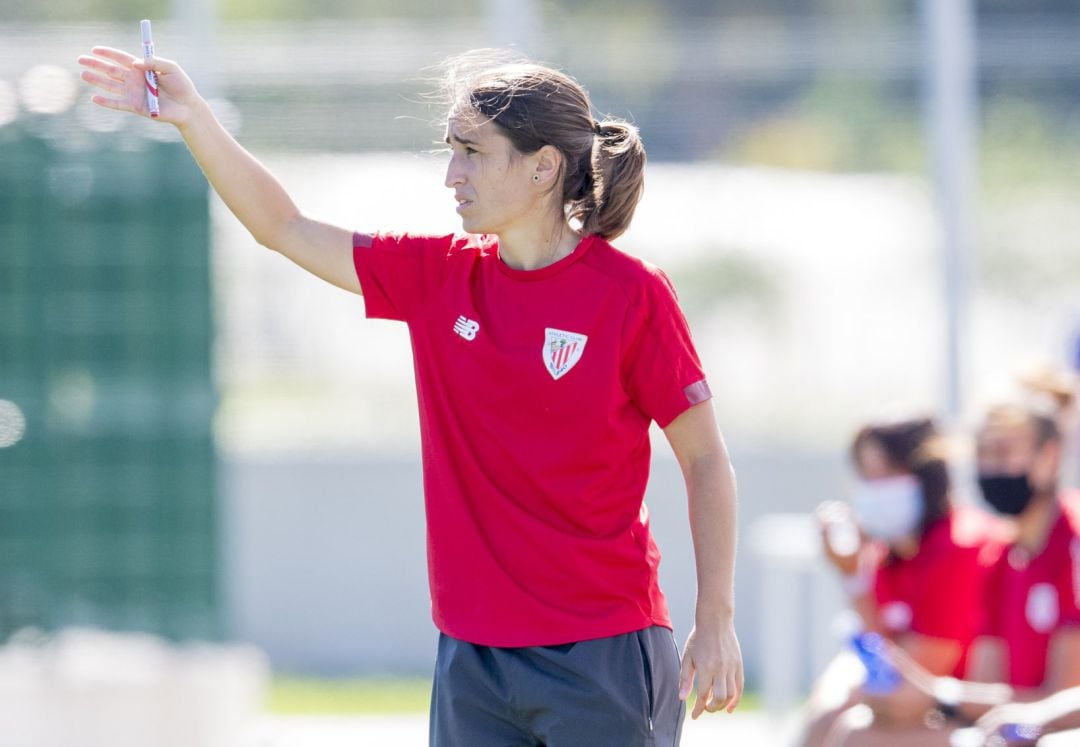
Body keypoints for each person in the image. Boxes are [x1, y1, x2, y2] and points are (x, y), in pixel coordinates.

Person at [77, 44, 743, 745]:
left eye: (472, 153)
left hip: (602, 650)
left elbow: (704, 461)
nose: (452, 175)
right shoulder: (436, 276)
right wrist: (194, 119)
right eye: (450, 151)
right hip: (471, 660)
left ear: (543, 167)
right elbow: (284, 228)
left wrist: (716, 617)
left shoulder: (631, 295)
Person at [827, 401, 1080, 746]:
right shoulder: (1002, 558)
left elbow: (1062, 706)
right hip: (1013, 731)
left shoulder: (1072, 546)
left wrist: (934, 694)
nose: (992, 467)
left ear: (1049, 457)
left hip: (1057, 735)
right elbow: (986, 694)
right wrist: (926, 696)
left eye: (1003, 453)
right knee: (857, 734)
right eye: (983, 455)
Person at [798, 417, 1007, 747]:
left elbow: (904, 682)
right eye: (867, 477)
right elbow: (878, 660)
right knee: (828, 717)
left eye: (887, 474)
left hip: (980, 717)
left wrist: (854, 578)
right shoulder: (887, 554)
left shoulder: (961, 546)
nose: (874, 488)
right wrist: (852, 575)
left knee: (854, 735)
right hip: (930, 713)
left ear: (927, 477)